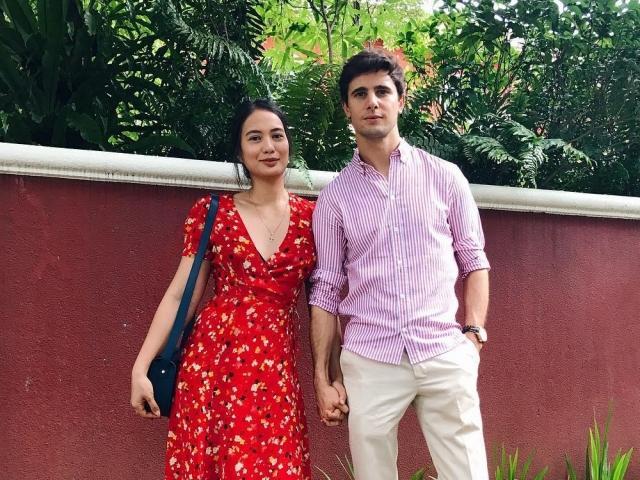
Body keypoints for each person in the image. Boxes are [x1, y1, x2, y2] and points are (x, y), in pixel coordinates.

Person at [309, 49, 491, 480]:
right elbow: (326, 290)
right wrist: (322, 376)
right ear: (347, 108)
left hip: (443, 350)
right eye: (360, 94)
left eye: (382, 91)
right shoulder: (334, 199)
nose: (372, 101)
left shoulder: (444, 176)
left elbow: (474, 261)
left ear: (400, 101)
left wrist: (473, 336)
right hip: (371, 359)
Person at [130, 99, 316, 479]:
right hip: (212, 369)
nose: (268, 146)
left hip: (276, 375)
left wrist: (331, 376)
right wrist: (140, 367)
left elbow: (324, 302)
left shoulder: (314, 218)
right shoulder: (213, 212)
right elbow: (180, 295)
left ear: (289, 144)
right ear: (240, 152)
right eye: (255, 138)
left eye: (277, 136)